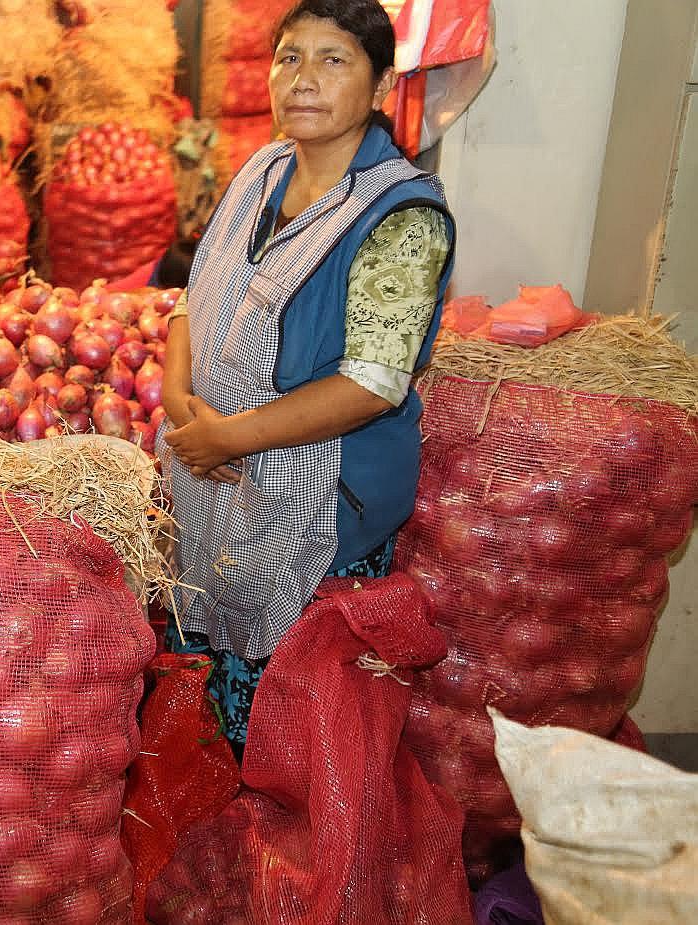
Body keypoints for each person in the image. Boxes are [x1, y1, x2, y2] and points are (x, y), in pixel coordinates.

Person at [159, 0, 455, 754]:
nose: (303, 79)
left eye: (333, 60)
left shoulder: (402, 216)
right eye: (289, 58)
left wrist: (229, 437)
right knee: (208, 702)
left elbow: (373, 383)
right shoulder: (261, 170)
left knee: (292, 724)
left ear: (381, 85)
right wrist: (177, 396)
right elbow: (197, 293)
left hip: (319, 504)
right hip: (214, 480)